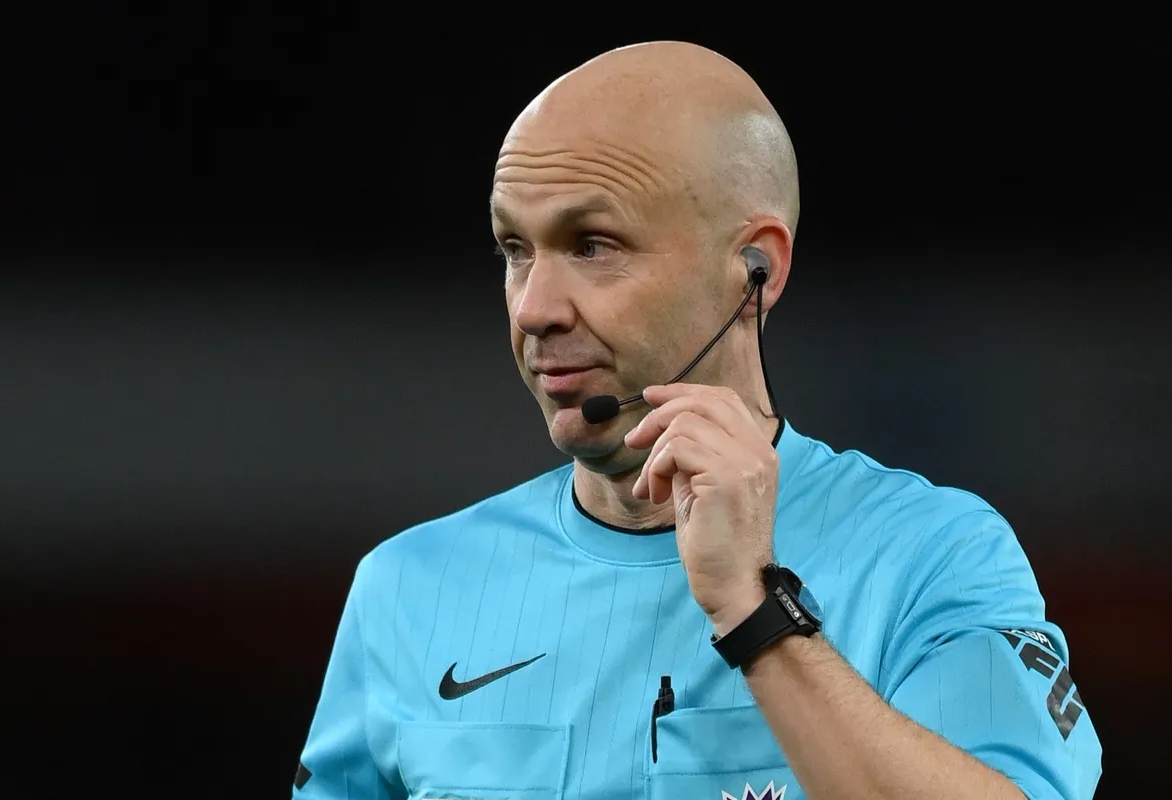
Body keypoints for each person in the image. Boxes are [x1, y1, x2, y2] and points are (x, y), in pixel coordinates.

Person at [293, 41, 1103, 800]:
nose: (534, 308)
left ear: (757, 270)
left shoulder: (930, 555)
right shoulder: (409, 589)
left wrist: (755, 613)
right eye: (515, 250)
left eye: (593, 245)